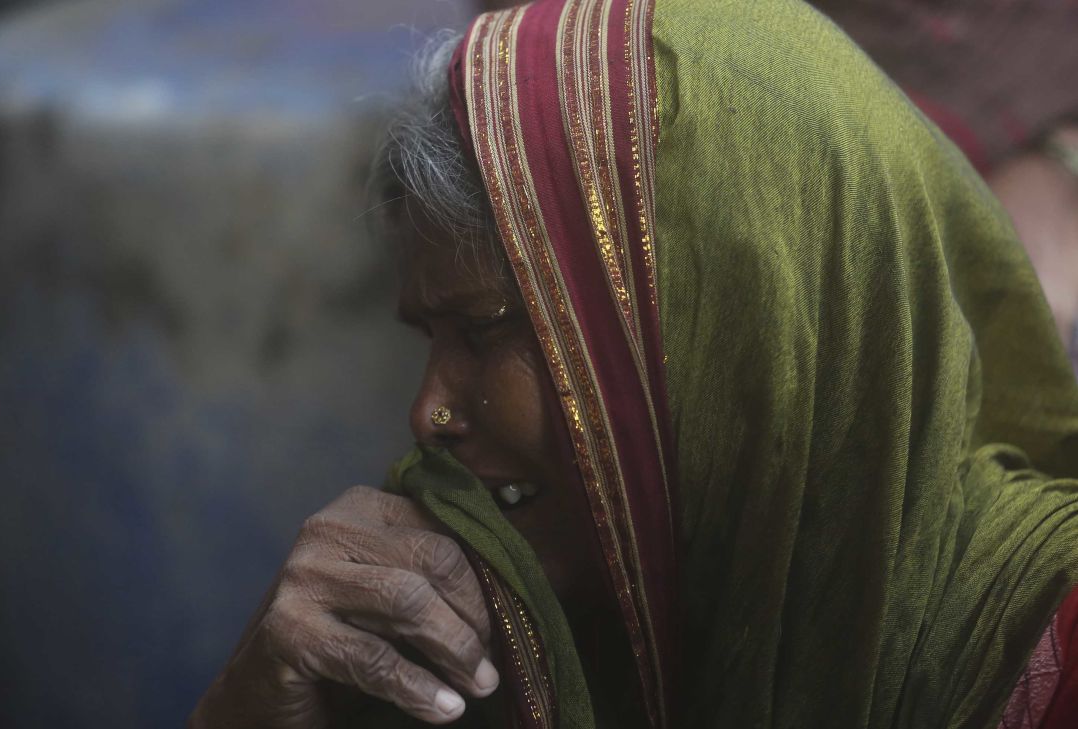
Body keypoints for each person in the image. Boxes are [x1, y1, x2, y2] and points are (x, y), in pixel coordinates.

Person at [189, 0, 1078, 727]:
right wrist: (254, 704)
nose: (428, 414)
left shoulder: (1048, 649)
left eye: (487, 330)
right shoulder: (524, 646)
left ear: (734, 337)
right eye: (430, 341)